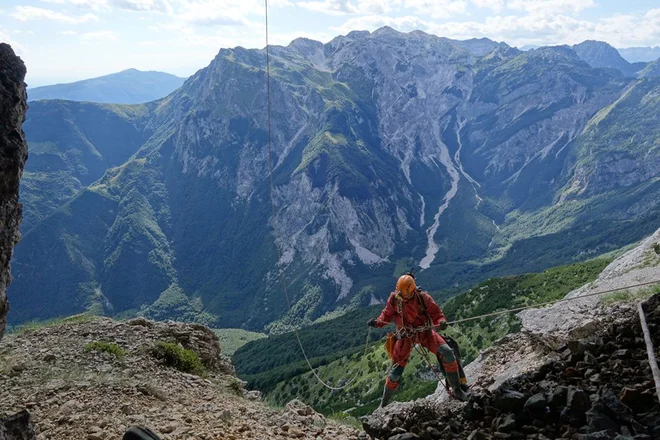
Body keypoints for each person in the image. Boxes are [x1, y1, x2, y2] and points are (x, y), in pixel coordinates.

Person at [368, 273, 470, 407]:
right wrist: (378, 323)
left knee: (447, 353)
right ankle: (383, 405)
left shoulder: (423, 297)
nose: (401, 297)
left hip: (425, 333)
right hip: (405, 337)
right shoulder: (394, 299)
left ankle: (457, 390)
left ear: (411, 292)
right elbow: (386, 315)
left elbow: (437, 314)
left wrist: (441, 322)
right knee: (394, 373)